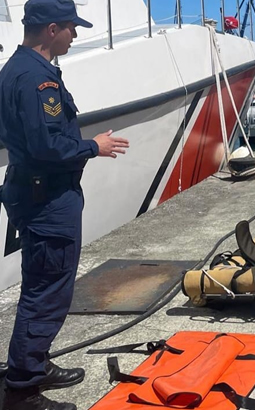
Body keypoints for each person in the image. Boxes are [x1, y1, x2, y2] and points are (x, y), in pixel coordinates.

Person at [0, 1, 130, 409]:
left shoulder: (18, 70)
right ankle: (22, 389)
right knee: (47, 292)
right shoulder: (35, 79)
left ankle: (34, 363)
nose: (75, 35)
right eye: (71, 28)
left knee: (44, 285)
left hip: (37, 193)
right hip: (47, 200)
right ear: (51, 29)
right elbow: (47, 145)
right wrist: (94, 146)